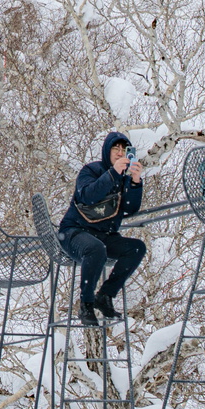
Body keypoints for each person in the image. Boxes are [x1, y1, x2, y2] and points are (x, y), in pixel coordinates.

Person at [59, 131, 146, 327]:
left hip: (105, 236)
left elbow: (131, 208)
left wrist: (135, 182)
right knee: (96, 248)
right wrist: (113, 173)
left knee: (136, 248)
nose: (119, 152)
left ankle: (105, 296)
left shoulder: (125, 178)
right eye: (115, 148)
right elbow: (88, 196)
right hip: (75, 231)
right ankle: (86, 304)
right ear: (107, 151)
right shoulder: (91, 170)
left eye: (124, 149)